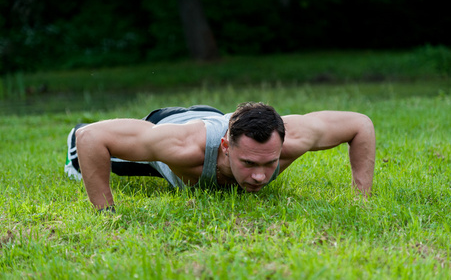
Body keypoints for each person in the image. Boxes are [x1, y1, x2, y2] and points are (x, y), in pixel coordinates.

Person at [65, 102, 375, 211]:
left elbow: (360, 124)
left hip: (214, 114)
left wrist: (361, 198)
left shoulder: (293, 138)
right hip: (171, 124)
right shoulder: (185, 148)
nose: (259, 176)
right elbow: (92, 137)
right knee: (85, 153)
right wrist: (105, 213)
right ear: (227, 147)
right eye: (249, 164)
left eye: (270, 163)